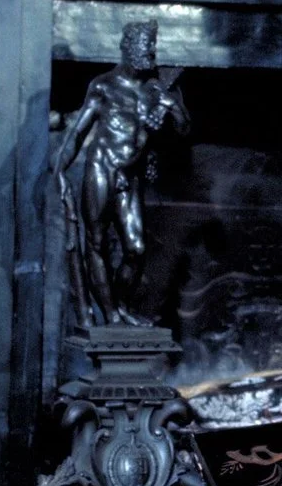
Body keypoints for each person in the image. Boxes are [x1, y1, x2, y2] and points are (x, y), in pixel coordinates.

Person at [53, 19, 190, 327]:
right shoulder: (104, 86)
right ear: (127, 48)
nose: (151, 53)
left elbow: (184, 131)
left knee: (136, 248)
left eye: (153, 47)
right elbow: (78, 132)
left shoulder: (157, 88)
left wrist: (174, 108)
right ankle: (111, 313)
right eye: (145, 46)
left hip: (131, 175)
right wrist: (60, 170)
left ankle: (120, 304)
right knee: (97, 242)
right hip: (101, 167)